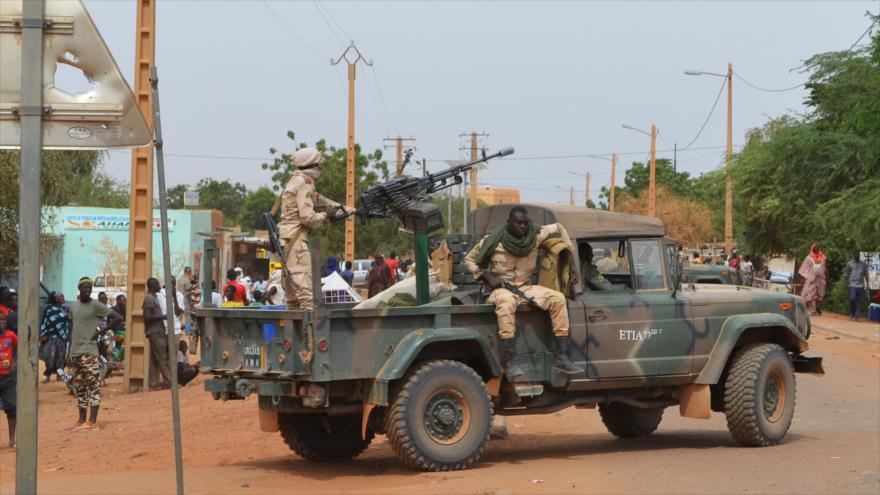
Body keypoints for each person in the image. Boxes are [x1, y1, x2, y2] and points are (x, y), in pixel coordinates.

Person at [464, 206, 583, 378]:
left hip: (525, 287)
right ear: (509, 223)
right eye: (518, 223)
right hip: (501, 288)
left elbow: (558, 227)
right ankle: (509, 361)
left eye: (525, 223)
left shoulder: (535, 235)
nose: (522, 226)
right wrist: (487, 276)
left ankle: (561, 357)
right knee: (507, 302)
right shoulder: (493, 240)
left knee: (557, 299)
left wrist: (571, 261)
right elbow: (468, 259)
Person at [278, 147, 343, 309]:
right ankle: (310, 333)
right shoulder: (303, 183)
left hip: (287, 242)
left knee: (293, 298)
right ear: (312, 165)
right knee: (307, 298)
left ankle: (296, 333)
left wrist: (342, 208)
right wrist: (326, 215)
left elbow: (318, 199)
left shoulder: (295, 181)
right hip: (297, 244)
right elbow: (308, 218)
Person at [68, 276, 121, 431]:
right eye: (85, 288)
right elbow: (72, 328)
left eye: (89, 288)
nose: (87, 290)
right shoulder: (74, 307)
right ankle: (81, 420)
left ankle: (92, 421)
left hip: (89, 352)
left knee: (93, 386)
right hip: (75, 353)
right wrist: (69, 352)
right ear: (79, 289)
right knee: (80, 387)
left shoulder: (95, 305)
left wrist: (100, 333)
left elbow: (118, 318)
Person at [143, 277, 173, 391]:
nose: (159, 286)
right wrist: (163, 317)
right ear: (152, 286)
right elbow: (147, 316)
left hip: (157, 331)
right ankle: (170, 381)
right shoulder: (149, 299)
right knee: (162, 357)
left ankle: (153, 383)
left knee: (154, 359)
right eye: (157, 284)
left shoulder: (154, 297)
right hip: (155, 332)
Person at [39, 292, 70, 383]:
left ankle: (60, 376)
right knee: (50, 357)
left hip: (62, 337)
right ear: (56, 299)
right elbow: (45, 322)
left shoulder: (64, 309)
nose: (63, 298)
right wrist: (43, 333)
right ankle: (48, 377)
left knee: (61, 356)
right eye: (61, 296)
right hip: (51, 337)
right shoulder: (49, 309)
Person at [0, 311, 17, 448]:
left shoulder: (10, 336)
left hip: (8, 377)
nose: (2, 323)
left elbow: (21, 348)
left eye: (4, 320)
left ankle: (12, 439)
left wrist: (15, 362)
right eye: (0, 320)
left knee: (12, 408)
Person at [799, 243, 828, 316]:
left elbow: (825, 268)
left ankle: (817, 307)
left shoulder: (823, 257)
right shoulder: (809, 258)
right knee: (811, 294)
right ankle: (813, 310)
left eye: (818, 247)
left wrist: (827, 277)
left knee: (821, 295)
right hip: (812, 279)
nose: (817, 249)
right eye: (815, 248)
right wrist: (805, 278)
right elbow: (804, 269)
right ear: (812, 248)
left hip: (821, 279)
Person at [842, 250, 870, 321]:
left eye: (858, 255)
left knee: (859, 301)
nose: (856, 256)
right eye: (855, 255)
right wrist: (846, 282)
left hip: (861, 285)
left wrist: (868, 284)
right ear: (853, 256)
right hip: (852, 285)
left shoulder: (863, 264)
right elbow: (846, 273)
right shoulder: (849, 263)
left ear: (859, 255)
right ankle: (852, 313)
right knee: (852, 299)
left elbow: (866, 275)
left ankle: (857, 316)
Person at [110, 294, 127, 362]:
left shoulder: (125, 310)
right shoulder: (112, 310)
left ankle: (120, 358)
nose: (125, 302)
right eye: (123, 301)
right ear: (117, 301)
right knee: (126, 337)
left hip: (122, 332)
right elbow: (112, 324)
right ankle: (118, 358)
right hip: (115, 334)